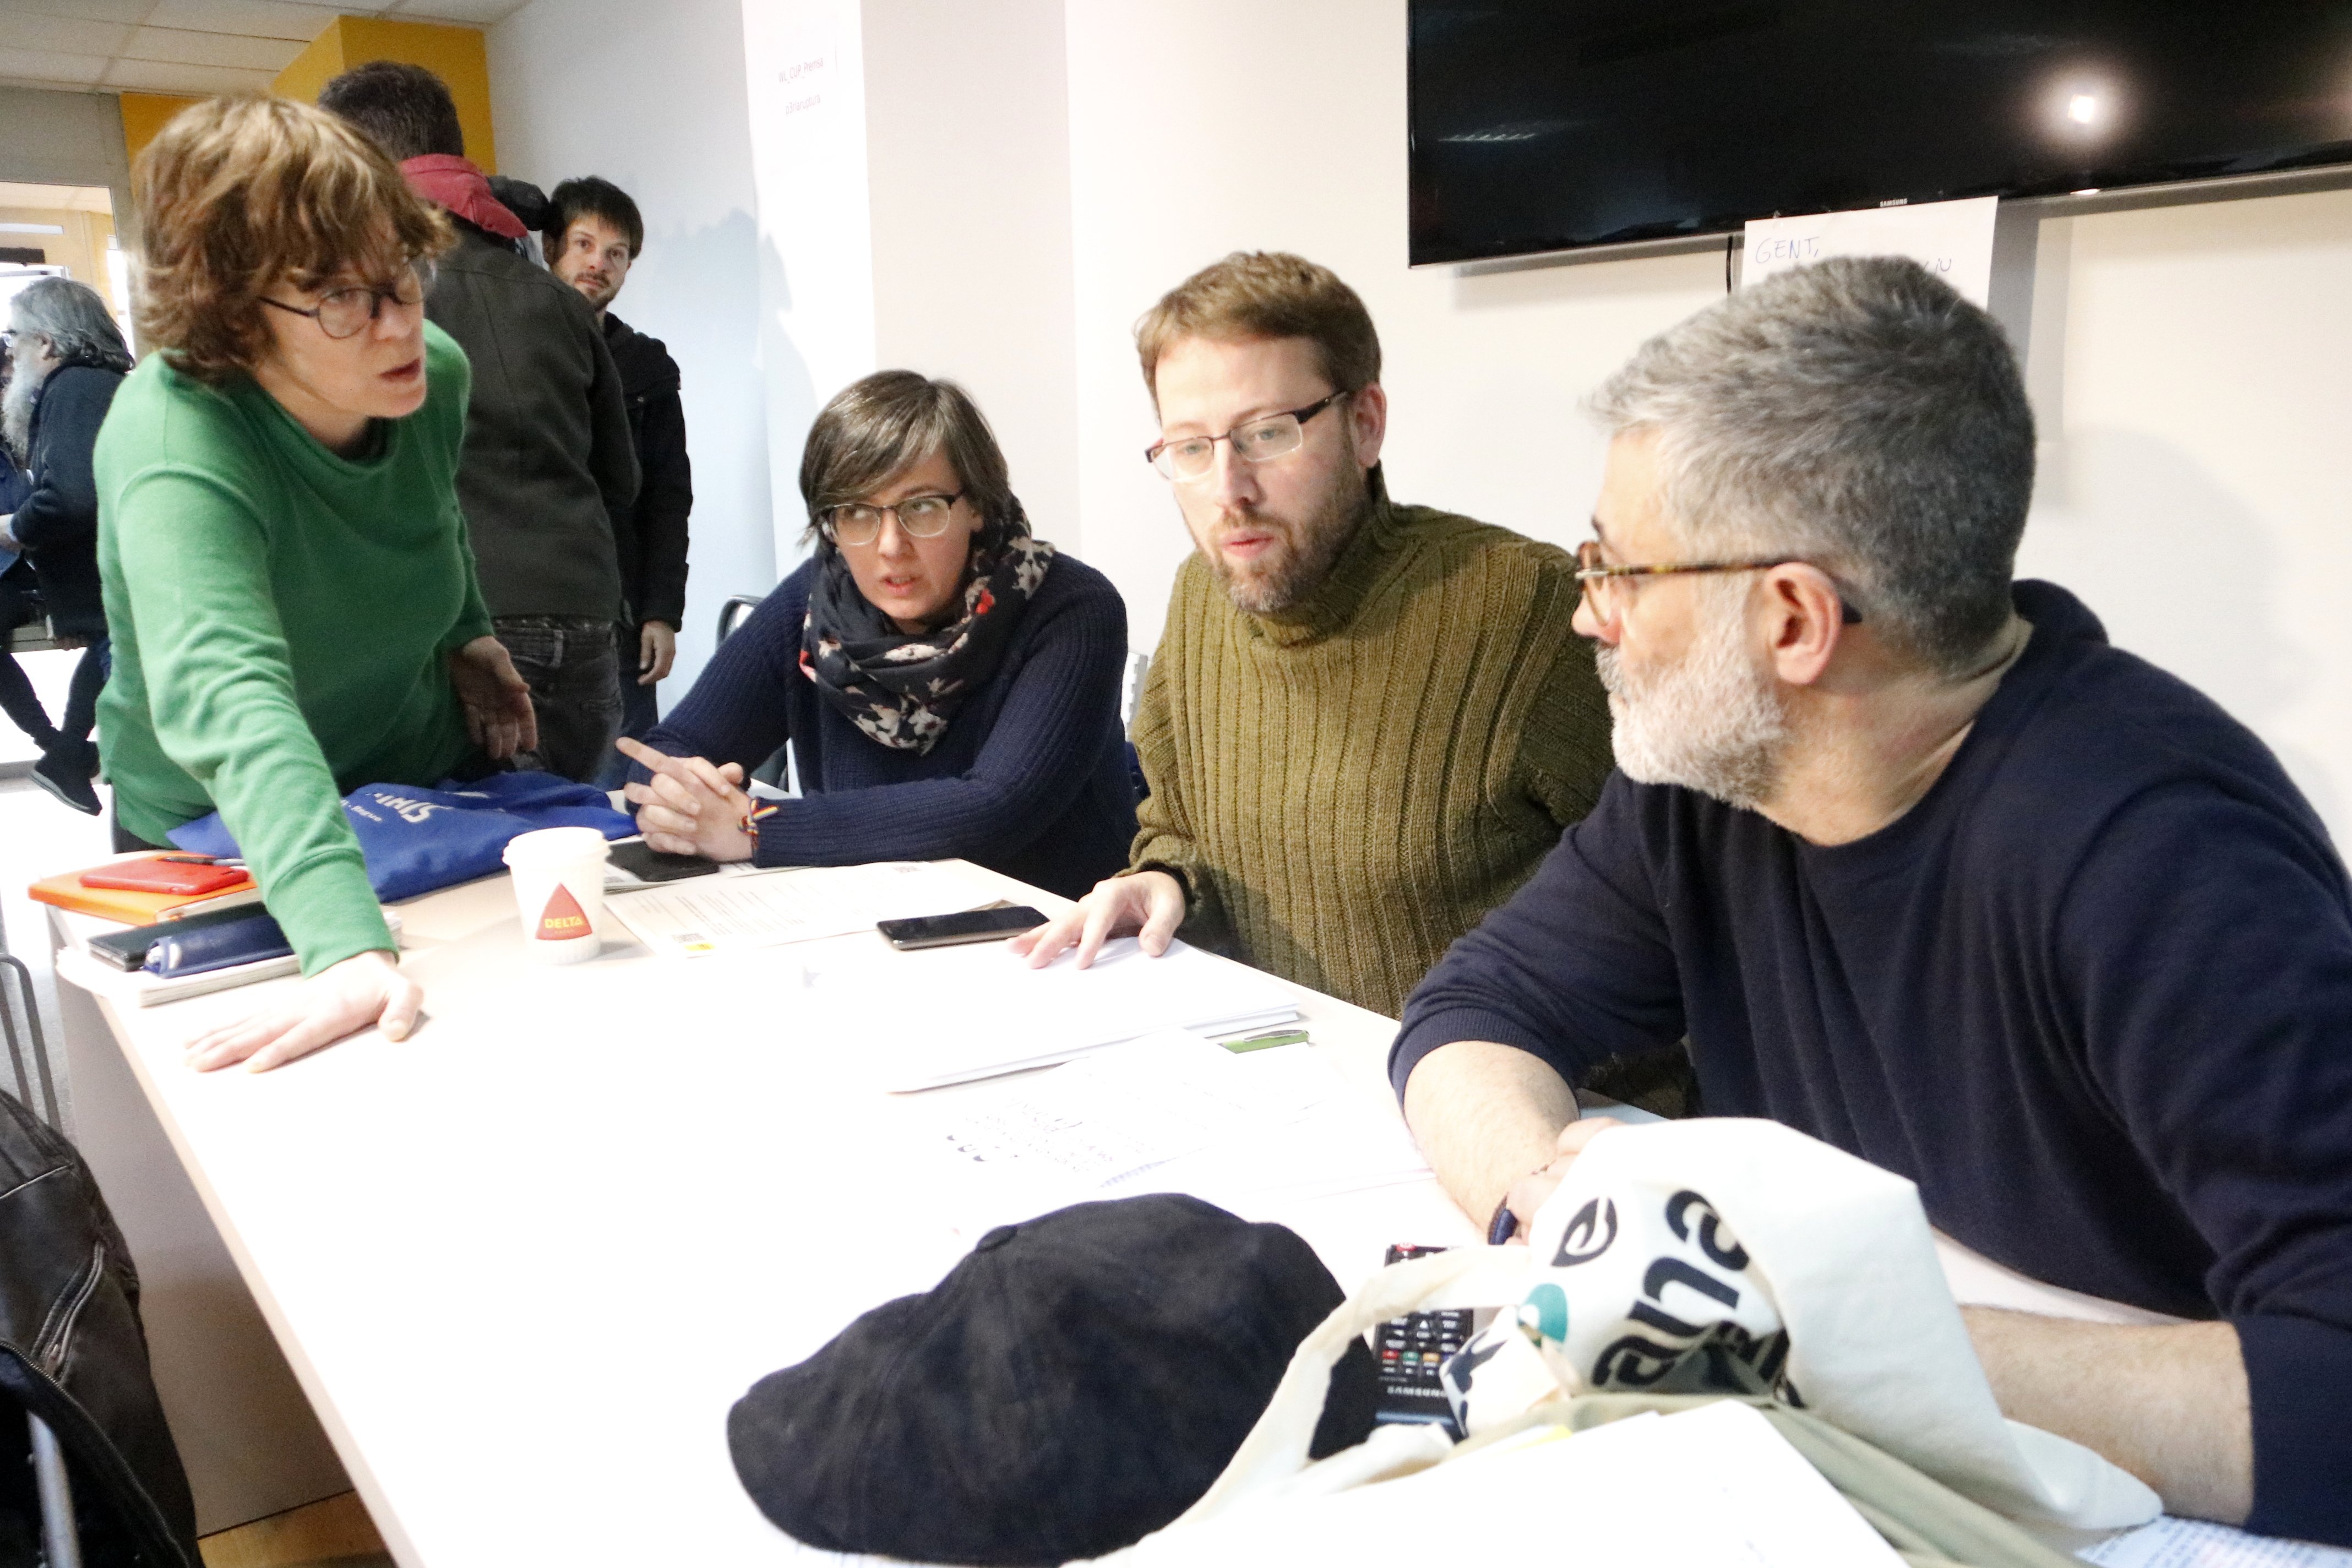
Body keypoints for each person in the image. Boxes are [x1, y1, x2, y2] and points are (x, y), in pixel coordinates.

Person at [1391, 257, 2352, 1543]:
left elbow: (2335, 1391)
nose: (1587, 616)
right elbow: (1473, 1008)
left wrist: (1829, 1328)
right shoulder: (1710, 773)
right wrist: (1561, 1213)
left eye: (1616, 568)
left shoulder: (2158, 854)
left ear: (1792, 620)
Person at [1012, 252, 1618, 1021]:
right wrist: (1160, 884)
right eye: (1191, 449)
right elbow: (1181, 831)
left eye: (1267, 435)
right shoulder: (1203, 597)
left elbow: (1683, 905)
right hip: (1283, 1079)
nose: (1229, 491)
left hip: (1522, 1104)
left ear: (1366, 426)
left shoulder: (1527, 608)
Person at [95, 94, 537, 1072]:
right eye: (342, 297)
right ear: (231, 315)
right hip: (219, 826)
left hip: (400, 781)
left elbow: (432, 518)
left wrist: (465, 632)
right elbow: (229, 694)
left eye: (404, 275)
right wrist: (342, 944)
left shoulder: (434, 376)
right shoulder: (176, 435)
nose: (399, 325)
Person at [618, 371, 1134, 899]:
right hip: (873, 919)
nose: (890, 545)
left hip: (1058, 931)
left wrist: (754, 826)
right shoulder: (815, 604)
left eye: (922, 507)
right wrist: (679, 801)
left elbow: (995, 809)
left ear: (978, 504)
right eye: (857, 513)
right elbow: (671, 747)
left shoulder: (1071, 609)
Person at [318, 62, 639, 783]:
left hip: (455, 623)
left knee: (459, 863)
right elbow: (622, 479)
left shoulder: (364, 303)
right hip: (582, 609)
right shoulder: (560, 303)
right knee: (579, 851)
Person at [541, 176, 692, 789]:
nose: (597, 264)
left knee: (621, 790)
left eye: (616, 253)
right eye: (583, 244)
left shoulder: (646, 367)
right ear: (553, 247)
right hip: (524, 607)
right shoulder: (506, 352)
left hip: (621, 610)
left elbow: (668, 498)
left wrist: (662, 612)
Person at [1, 277, 130, 814]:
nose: (12, 354)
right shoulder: (103, 384)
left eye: (17, 339)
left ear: (47, 344)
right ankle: (68, 756)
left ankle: (68, 757)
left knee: (138, 738)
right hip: (110, 594)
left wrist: (16, 528)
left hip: (111, 586)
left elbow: (74, 495)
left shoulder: (74, 388)